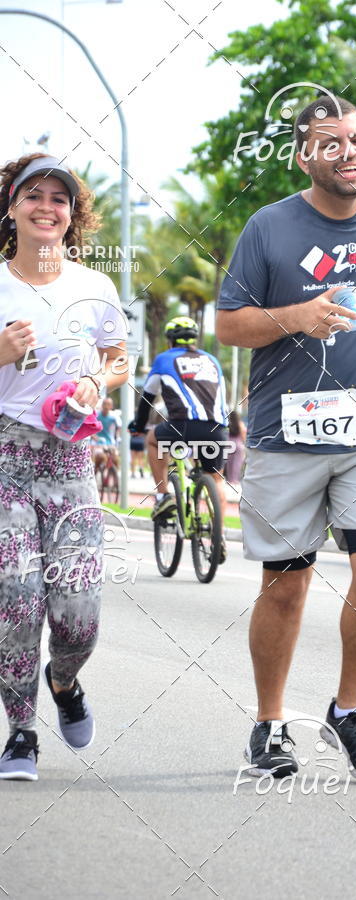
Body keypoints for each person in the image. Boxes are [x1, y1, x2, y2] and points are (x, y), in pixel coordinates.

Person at [217, 96, 356, 783]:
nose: (350, 152)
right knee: (287, 586)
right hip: (287, 434)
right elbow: (229, 324)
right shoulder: (269, 227)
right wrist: (296, 316)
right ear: (303, 155)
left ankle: (350, 710)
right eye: (332, 142)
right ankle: (269, 724)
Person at [0, 153, 129, 780]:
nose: (46, 207)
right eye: (34, 195)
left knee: (78, 614)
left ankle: (64, 681)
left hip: (71, 460)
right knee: (15, 596)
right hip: (5, 456)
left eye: (60, 198)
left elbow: (119, 359)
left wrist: (96, 382)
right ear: (12, 207)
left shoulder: (95, 288)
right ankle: (21, 732)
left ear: (72, 215)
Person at [129, 316, 229, 559]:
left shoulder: (165, 359)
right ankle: (219, 535)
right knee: (216, 479)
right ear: (195, 339)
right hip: (216, 430)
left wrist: (139, 425)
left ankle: (163, 496)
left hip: (181, 427)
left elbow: (147, 397)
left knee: (153, 439)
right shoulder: (212, 360)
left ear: (170, 340)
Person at [91, 396, 120, 470]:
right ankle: (96, 472)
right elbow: (90, 428)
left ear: (111, 406)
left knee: (115, 458)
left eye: (108, 404)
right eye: (105, 404)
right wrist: (94, 437)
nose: (106, 406)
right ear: (102, 405)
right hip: (97, 442)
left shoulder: (114, 417)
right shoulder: (96, 415)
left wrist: (117, 437)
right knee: (100, 457)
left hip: (110, 442)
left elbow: (118, 429)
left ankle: (114, 476)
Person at [224, 410, 247, 486]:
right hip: (238, 446)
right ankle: (234, 483)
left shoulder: (227, 424)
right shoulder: (240, 424)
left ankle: (229, 482)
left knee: (229, 465)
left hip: (228, 445)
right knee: (236, 466)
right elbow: (244, 436)